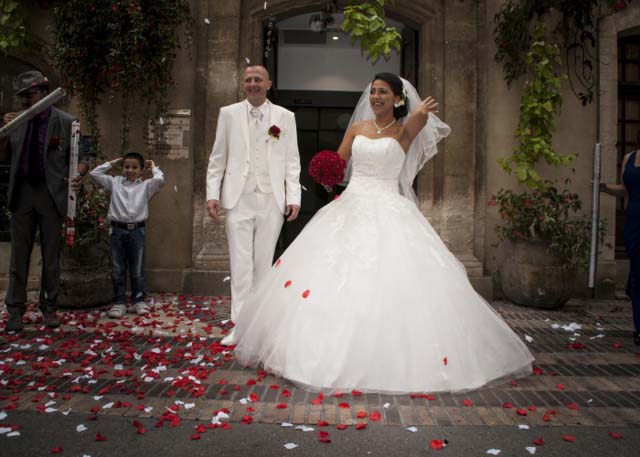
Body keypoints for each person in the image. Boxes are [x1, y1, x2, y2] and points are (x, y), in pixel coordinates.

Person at [232, 73, 534, 394]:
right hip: (350, 206)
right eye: (373, 91)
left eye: (383, 92)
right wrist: (325, 173)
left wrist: (417, 115)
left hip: (389, 207)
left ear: (396, 98)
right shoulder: (358, 128)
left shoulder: (405, 130)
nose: (376, 96)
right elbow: (338, 161)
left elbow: (423, 130)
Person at [206, 65, 302, 345]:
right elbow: (217, 158)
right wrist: (213, 193)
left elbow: (292, 160)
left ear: (268, 83)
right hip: (238, 199)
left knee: (263, 265)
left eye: (257, 79)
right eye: (248, 80)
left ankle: (259, 326)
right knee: (240, 265)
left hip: (271, 199)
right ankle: (240, 326)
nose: (252, 84)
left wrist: (293, 196)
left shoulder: (285, 117)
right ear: (242, 85)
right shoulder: (228, 114)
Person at [0, 71, 88, 332]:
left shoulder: (66, 121)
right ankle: (15, 310)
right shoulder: (16, 122)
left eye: (31, 95)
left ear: (45, 94)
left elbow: (82, 155)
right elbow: (3, 157)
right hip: (23, 193)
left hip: (51, 195)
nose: (26, 101)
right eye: (22, 97)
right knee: (19, 256)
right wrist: (3, 134)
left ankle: (49, 308)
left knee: (51, 255)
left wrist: (79, 174)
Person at [90, 152, 164, 318]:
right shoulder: (114, 183)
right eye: (127, 167)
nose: (130, 170)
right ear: (122, 168)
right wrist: (112, 162)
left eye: (134, 167)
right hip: (117, 230)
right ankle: (119, 302)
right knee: (118, 269)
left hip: (137, 231)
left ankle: (139, 300)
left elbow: (159, 180)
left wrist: (153, 167)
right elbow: (94, 174)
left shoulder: (146, 186)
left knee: (137, 269)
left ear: (141, 170)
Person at [600, 140, 640, 346]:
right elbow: (625, 189)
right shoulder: (629, 158)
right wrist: (605, 188)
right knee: (636, 274)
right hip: (634, 220)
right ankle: (638, 327)